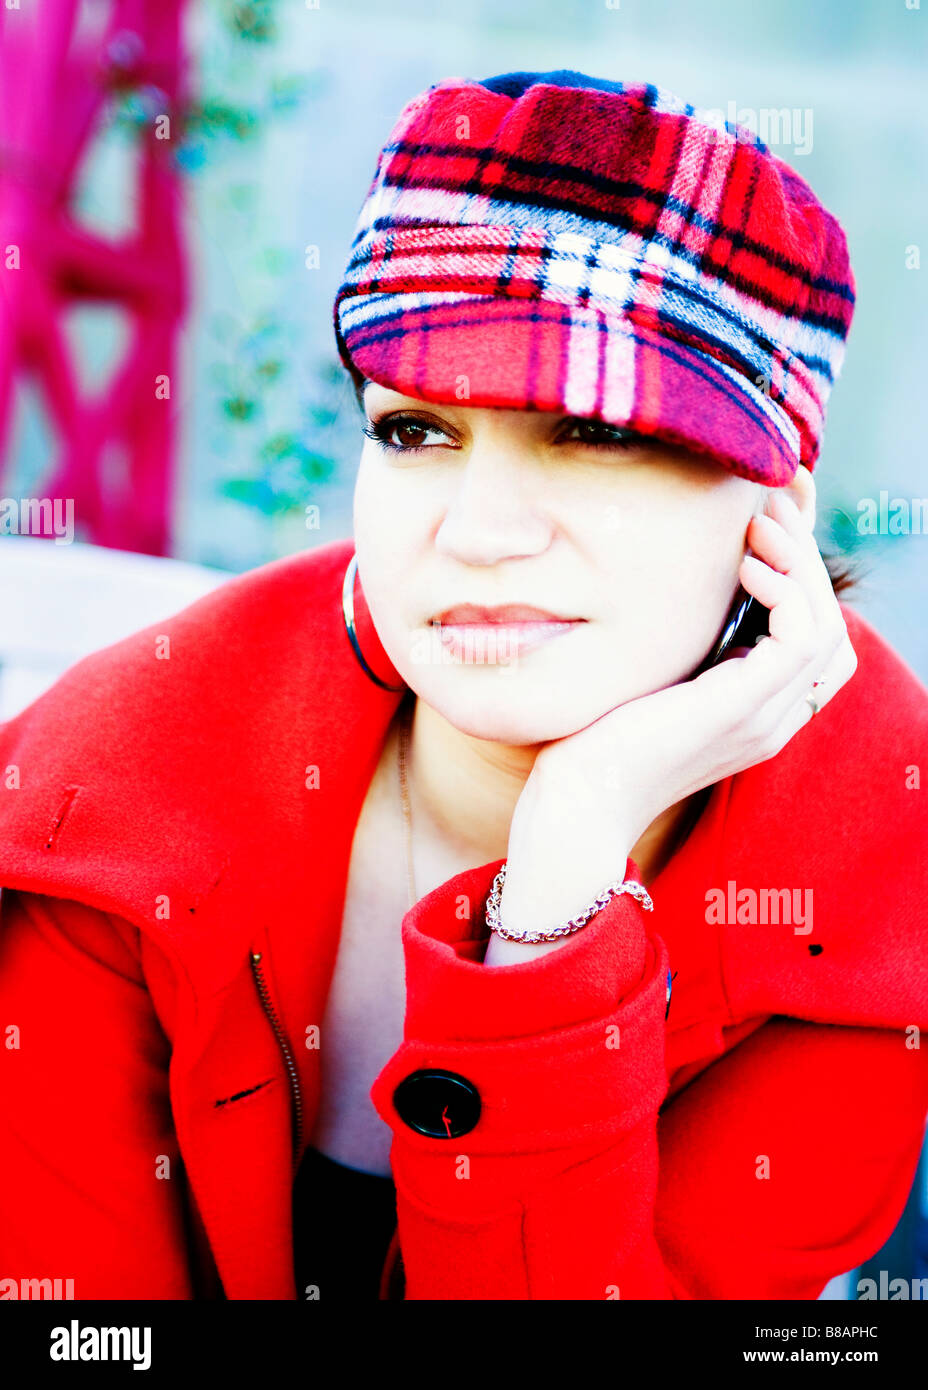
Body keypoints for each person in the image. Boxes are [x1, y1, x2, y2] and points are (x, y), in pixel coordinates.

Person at [0, 70, 925, 1302]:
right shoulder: (105, 807)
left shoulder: (873, 888)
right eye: (416, 431)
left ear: (775, 511)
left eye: (592, 434)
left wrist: (557, 895)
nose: (480, 533)